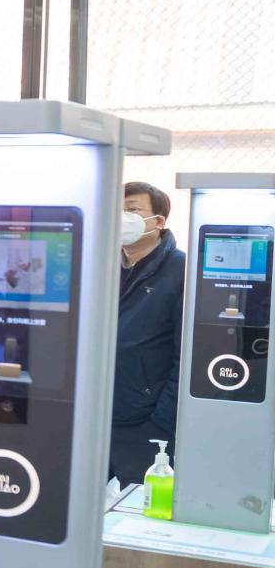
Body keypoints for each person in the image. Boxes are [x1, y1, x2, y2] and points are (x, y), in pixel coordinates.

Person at [110, 181, 184, 487]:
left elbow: (186, 356)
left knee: (138, 504)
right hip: (97, 415)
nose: (122, 218)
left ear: (158, 221)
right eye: (117, 210)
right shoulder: (102, 267)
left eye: (132, 210)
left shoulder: (181, 270)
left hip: (145, 423)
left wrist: (162, 419)